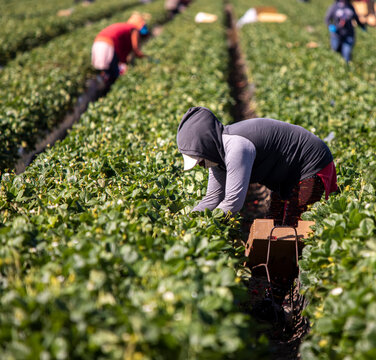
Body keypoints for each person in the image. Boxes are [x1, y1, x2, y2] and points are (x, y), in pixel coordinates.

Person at [176, 107, 338, 226]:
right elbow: (213, 198)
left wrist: (206, 225)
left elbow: (233, 203)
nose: (201, 165)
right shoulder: (217, 156)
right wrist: (188, 220)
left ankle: (297, 270)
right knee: (274, 221)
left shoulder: (236, 148)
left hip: (312, 164)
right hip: (287, 174)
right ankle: (281, 267)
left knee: (295, 226)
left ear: (206, 147)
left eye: (200, 160)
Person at [91, 13, 149, 87]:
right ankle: (106, 88)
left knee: (108, 71)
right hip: (108, 45)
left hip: (97, 43)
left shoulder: (124, 26)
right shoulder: (134, 30)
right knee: (113, 74)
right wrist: (143, 56)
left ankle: (102, 88)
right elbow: (135, 49)